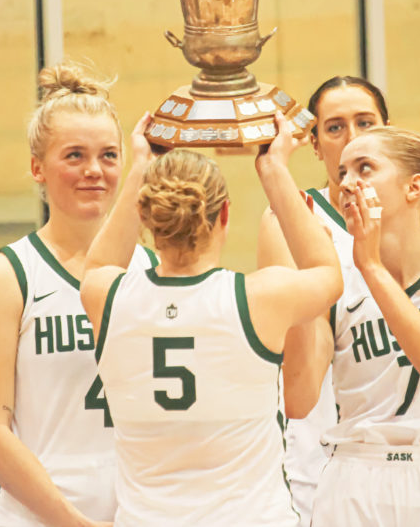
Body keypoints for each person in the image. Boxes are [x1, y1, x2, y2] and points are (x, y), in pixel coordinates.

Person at [257, 75, 420, 526]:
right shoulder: (333, 282)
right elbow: (298, 399)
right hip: (352, 475)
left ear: (413, 188)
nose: (348, 182)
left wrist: (368, 264)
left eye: (365, 168)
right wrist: (297, 299)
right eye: (344, 171)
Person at [79, 112, 342, 527]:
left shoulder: (107, 295)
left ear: (146, 218)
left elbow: (97, 263)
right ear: (224, 216)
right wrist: (273, 170)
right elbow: (327, 273)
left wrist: (141, 167)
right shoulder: (259, 297)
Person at [0, 61, 158, 526]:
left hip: (139, 512)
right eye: (74, 155)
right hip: (39, 518)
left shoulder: (153, 269)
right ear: (37, 168)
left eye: (109, 155)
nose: (94, 170)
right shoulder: (7, 277)